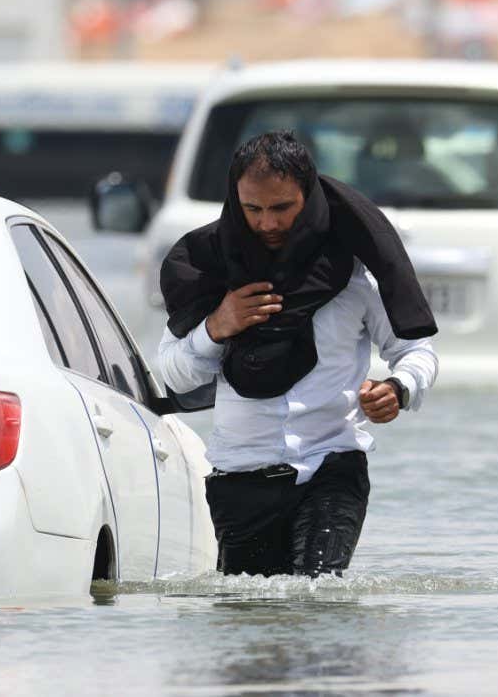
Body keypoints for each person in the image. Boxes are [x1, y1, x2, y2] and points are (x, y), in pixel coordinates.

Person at [157, 131, 439, 577]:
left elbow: (414, 349)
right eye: (253, 210)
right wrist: (218, 326)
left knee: (319, 594)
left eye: (282, 208)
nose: (268, 224)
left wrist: (399, 388)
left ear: (307, 199)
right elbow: (175, 376)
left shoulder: (351, 277)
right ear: (235, 203)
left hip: (333, 465)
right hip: (240, 477)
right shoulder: (209, 273)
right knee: (249, 619)